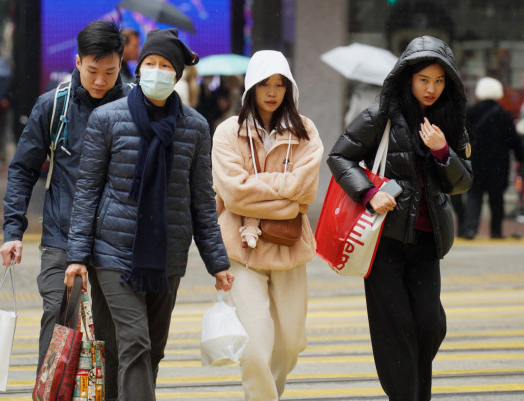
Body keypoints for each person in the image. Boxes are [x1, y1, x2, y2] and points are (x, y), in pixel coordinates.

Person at [64, 28, 234, 401]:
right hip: (112, 252)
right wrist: (77, 255)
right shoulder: (107, 119)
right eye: (150, 64)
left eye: (165, 66)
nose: (156, 71)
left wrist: (217, 262)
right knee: (136, 343)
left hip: (167, 255)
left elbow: (201, 202)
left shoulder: (195, 127)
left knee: (149, 350)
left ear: (177, 75)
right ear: (139, 69)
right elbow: (88, 191)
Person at [327, 36, 473, 400]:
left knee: (429, 326)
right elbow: (339, 156)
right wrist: (369, 192)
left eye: (439, 81)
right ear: (408, 77)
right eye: (424, 79)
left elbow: (462, 182)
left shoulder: (451, 121)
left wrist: (443, 151)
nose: (431, 89)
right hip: (384, 241)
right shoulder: (382, 114)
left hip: (427, 241)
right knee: (397, 328)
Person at [0, 20, 127, 401]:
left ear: (122, 63)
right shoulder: (53, 105)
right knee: (58, 320)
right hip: (61, 236)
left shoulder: (136, 106)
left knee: (109, 333)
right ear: (77, 61)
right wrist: (12, 231)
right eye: (92, 71)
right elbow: (23, 169)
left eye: (110, 71)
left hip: (117, 242)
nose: (101, 80)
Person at [211, 50, 324, 401]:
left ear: (290, 89)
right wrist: (285, 194)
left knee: (290, 344)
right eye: (264, 84)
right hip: (242, 250)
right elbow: (233, 194)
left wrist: (258, 192)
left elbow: (306, 192)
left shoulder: (306, 131)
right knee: (257, 347)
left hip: (289, 248)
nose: (273, 92)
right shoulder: (228, 132)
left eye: (280, 84)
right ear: (251, 89)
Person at [463, 76, 524, 239]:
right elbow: (514, 141)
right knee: (496, 200)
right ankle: (496, 231)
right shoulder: (504, 115)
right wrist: (520, 156)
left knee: (474, 197)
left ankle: (470, 229)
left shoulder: (471, 113)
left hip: (475, 164)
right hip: (498, 165)